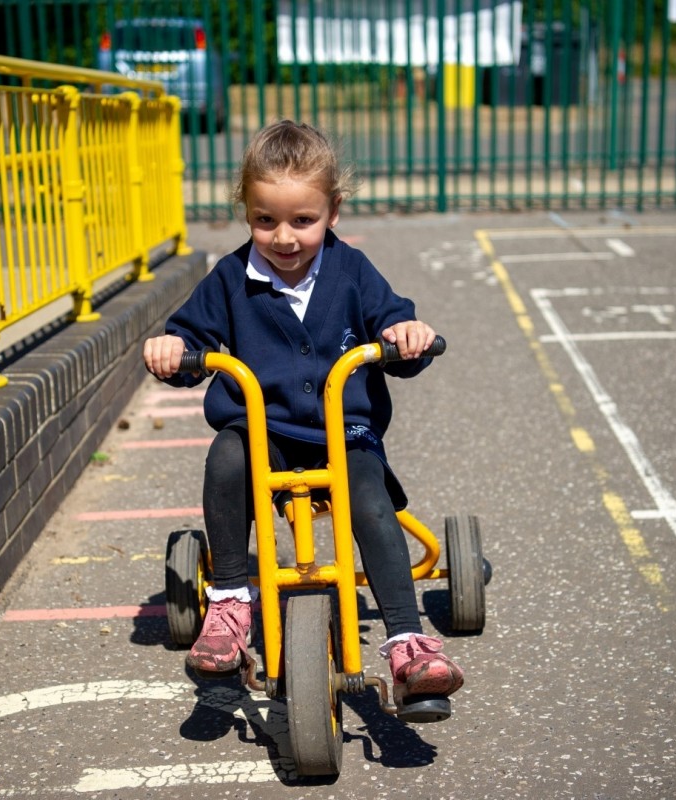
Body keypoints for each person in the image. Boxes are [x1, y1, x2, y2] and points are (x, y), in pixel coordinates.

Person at [143, 120, 463, 702]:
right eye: (266, 220)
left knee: (368, 498)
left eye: (302, 220)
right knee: (226, 458)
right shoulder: (229, 280)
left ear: (333, 211)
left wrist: (406, 335)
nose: (284, 237)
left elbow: (393, 325)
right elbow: (188, 338)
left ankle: (408, 643)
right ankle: (231, 603)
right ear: (246, 212)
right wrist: (171, 350)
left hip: (346, 431)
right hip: (262, 429)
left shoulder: (352, 272)